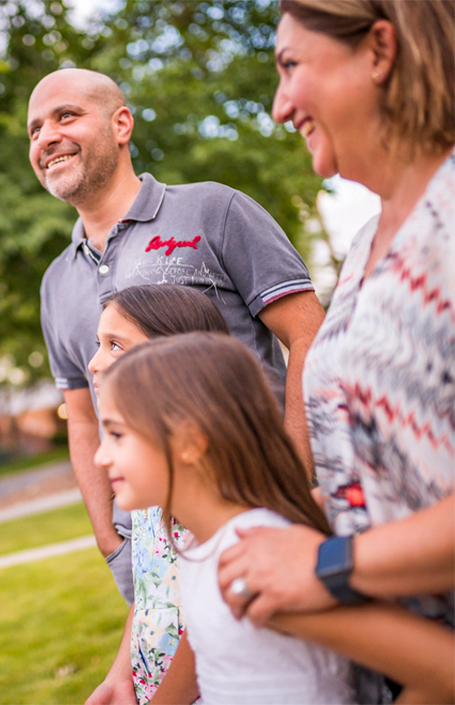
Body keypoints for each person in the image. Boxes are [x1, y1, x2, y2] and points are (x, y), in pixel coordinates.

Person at [216, 1, 453, 693]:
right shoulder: (361, 248)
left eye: (290, 66)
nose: (279, 107)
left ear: (380, 50)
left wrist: (326, 565)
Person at [27, 68, 326, 603]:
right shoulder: (54, 283)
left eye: (66, 116)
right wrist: (109, 540)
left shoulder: (214, 209)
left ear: (122, 125)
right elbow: (82, 419)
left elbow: (309, 337)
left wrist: (292, 482)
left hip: (253, 505)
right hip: (143, 547)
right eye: (34, 130)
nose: (46, 137)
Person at [95, 333, 454, 704]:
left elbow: (443, 672)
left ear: (190, 441)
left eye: (117, 434)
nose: (100, 457)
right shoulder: (199, 546)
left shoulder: (255, 562)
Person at [85, 285, 228, 705]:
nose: (94, 363)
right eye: (99, 344)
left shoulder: (207, 492)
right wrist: (119, 677)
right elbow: (153, 588)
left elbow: (208, 632)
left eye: (115, 345)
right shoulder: (150, 486)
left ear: (175, 358)